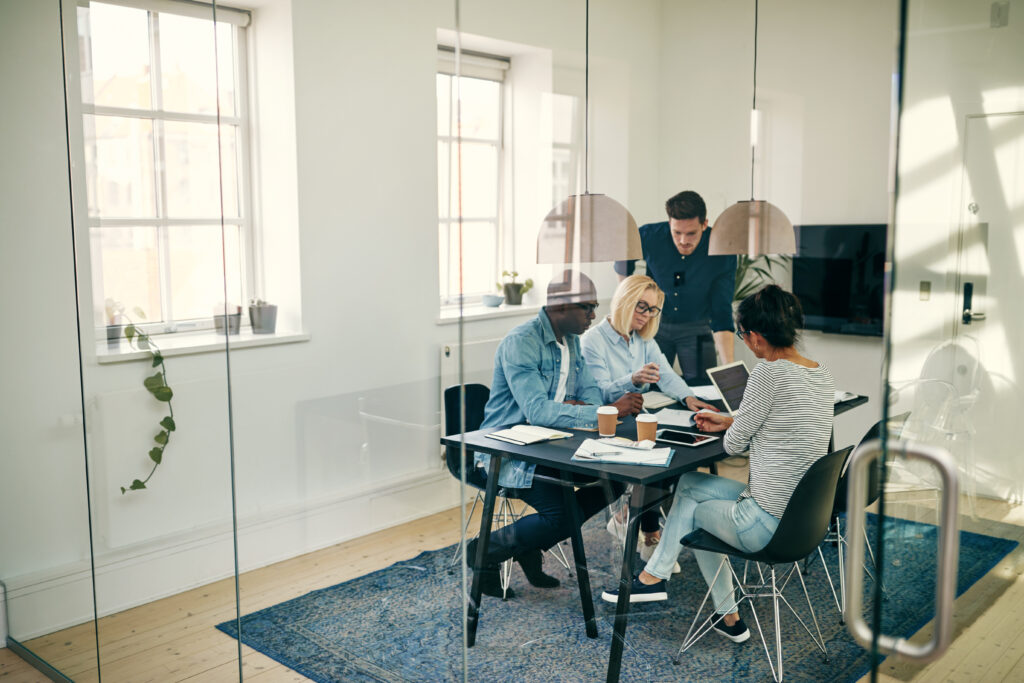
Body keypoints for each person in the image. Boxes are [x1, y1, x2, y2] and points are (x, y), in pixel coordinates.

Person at [600, 285, 834, 646]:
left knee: (692, 511)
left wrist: (732, 427)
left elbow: (734, 446)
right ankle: (728, 617)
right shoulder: (819, 371)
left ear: (754, 337)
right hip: (803, 519)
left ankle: (651, 579)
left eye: (743, 336)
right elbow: (782, 424)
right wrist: (730, 419)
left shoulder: (768, 374)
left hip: (765, 525)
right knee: (691, 484)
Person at [470, 271, 644, 598]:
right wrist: (604, 411)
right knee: (561, 515)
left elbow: (590, 393)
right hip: (512, 454)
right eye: (587, 307)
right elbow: (538, 411)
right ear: (558, 306)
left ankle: (527, 546)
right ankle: (485, 549)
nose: (594, 315)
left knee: (614, 481)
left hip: (551, 446)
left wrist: (583, 407)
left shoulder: (572, 342)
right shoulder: (521, 343)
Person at [580, 274, 719, 561]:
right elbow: (599, 394)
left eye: (652, 309)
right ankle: (649, 533)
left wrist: (689, 398)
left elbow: (666, 374)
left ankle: (635, 523)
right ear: (624, 300)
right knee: (657, 458)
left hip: (635, 418)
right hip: (606, 424)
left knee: (674, 455)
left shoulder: (642, 340)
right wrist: (631, 378)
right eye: (641, 306)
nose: (646, 315)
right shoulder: (593, 340)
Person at [614, 190, 737, 384]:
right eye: (677, 232)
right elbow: (624, 258)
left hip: (697, 327)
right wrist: (627, 302)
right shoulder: (649, 236)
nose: (683, 241)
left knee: (703, 388)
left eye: (691, 233)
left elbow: (721, 310)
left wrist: (729, 367)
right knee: (650, 387)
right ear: (669, 223)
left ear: (704, 224)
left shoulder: (721, 249)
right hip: (654, 325)